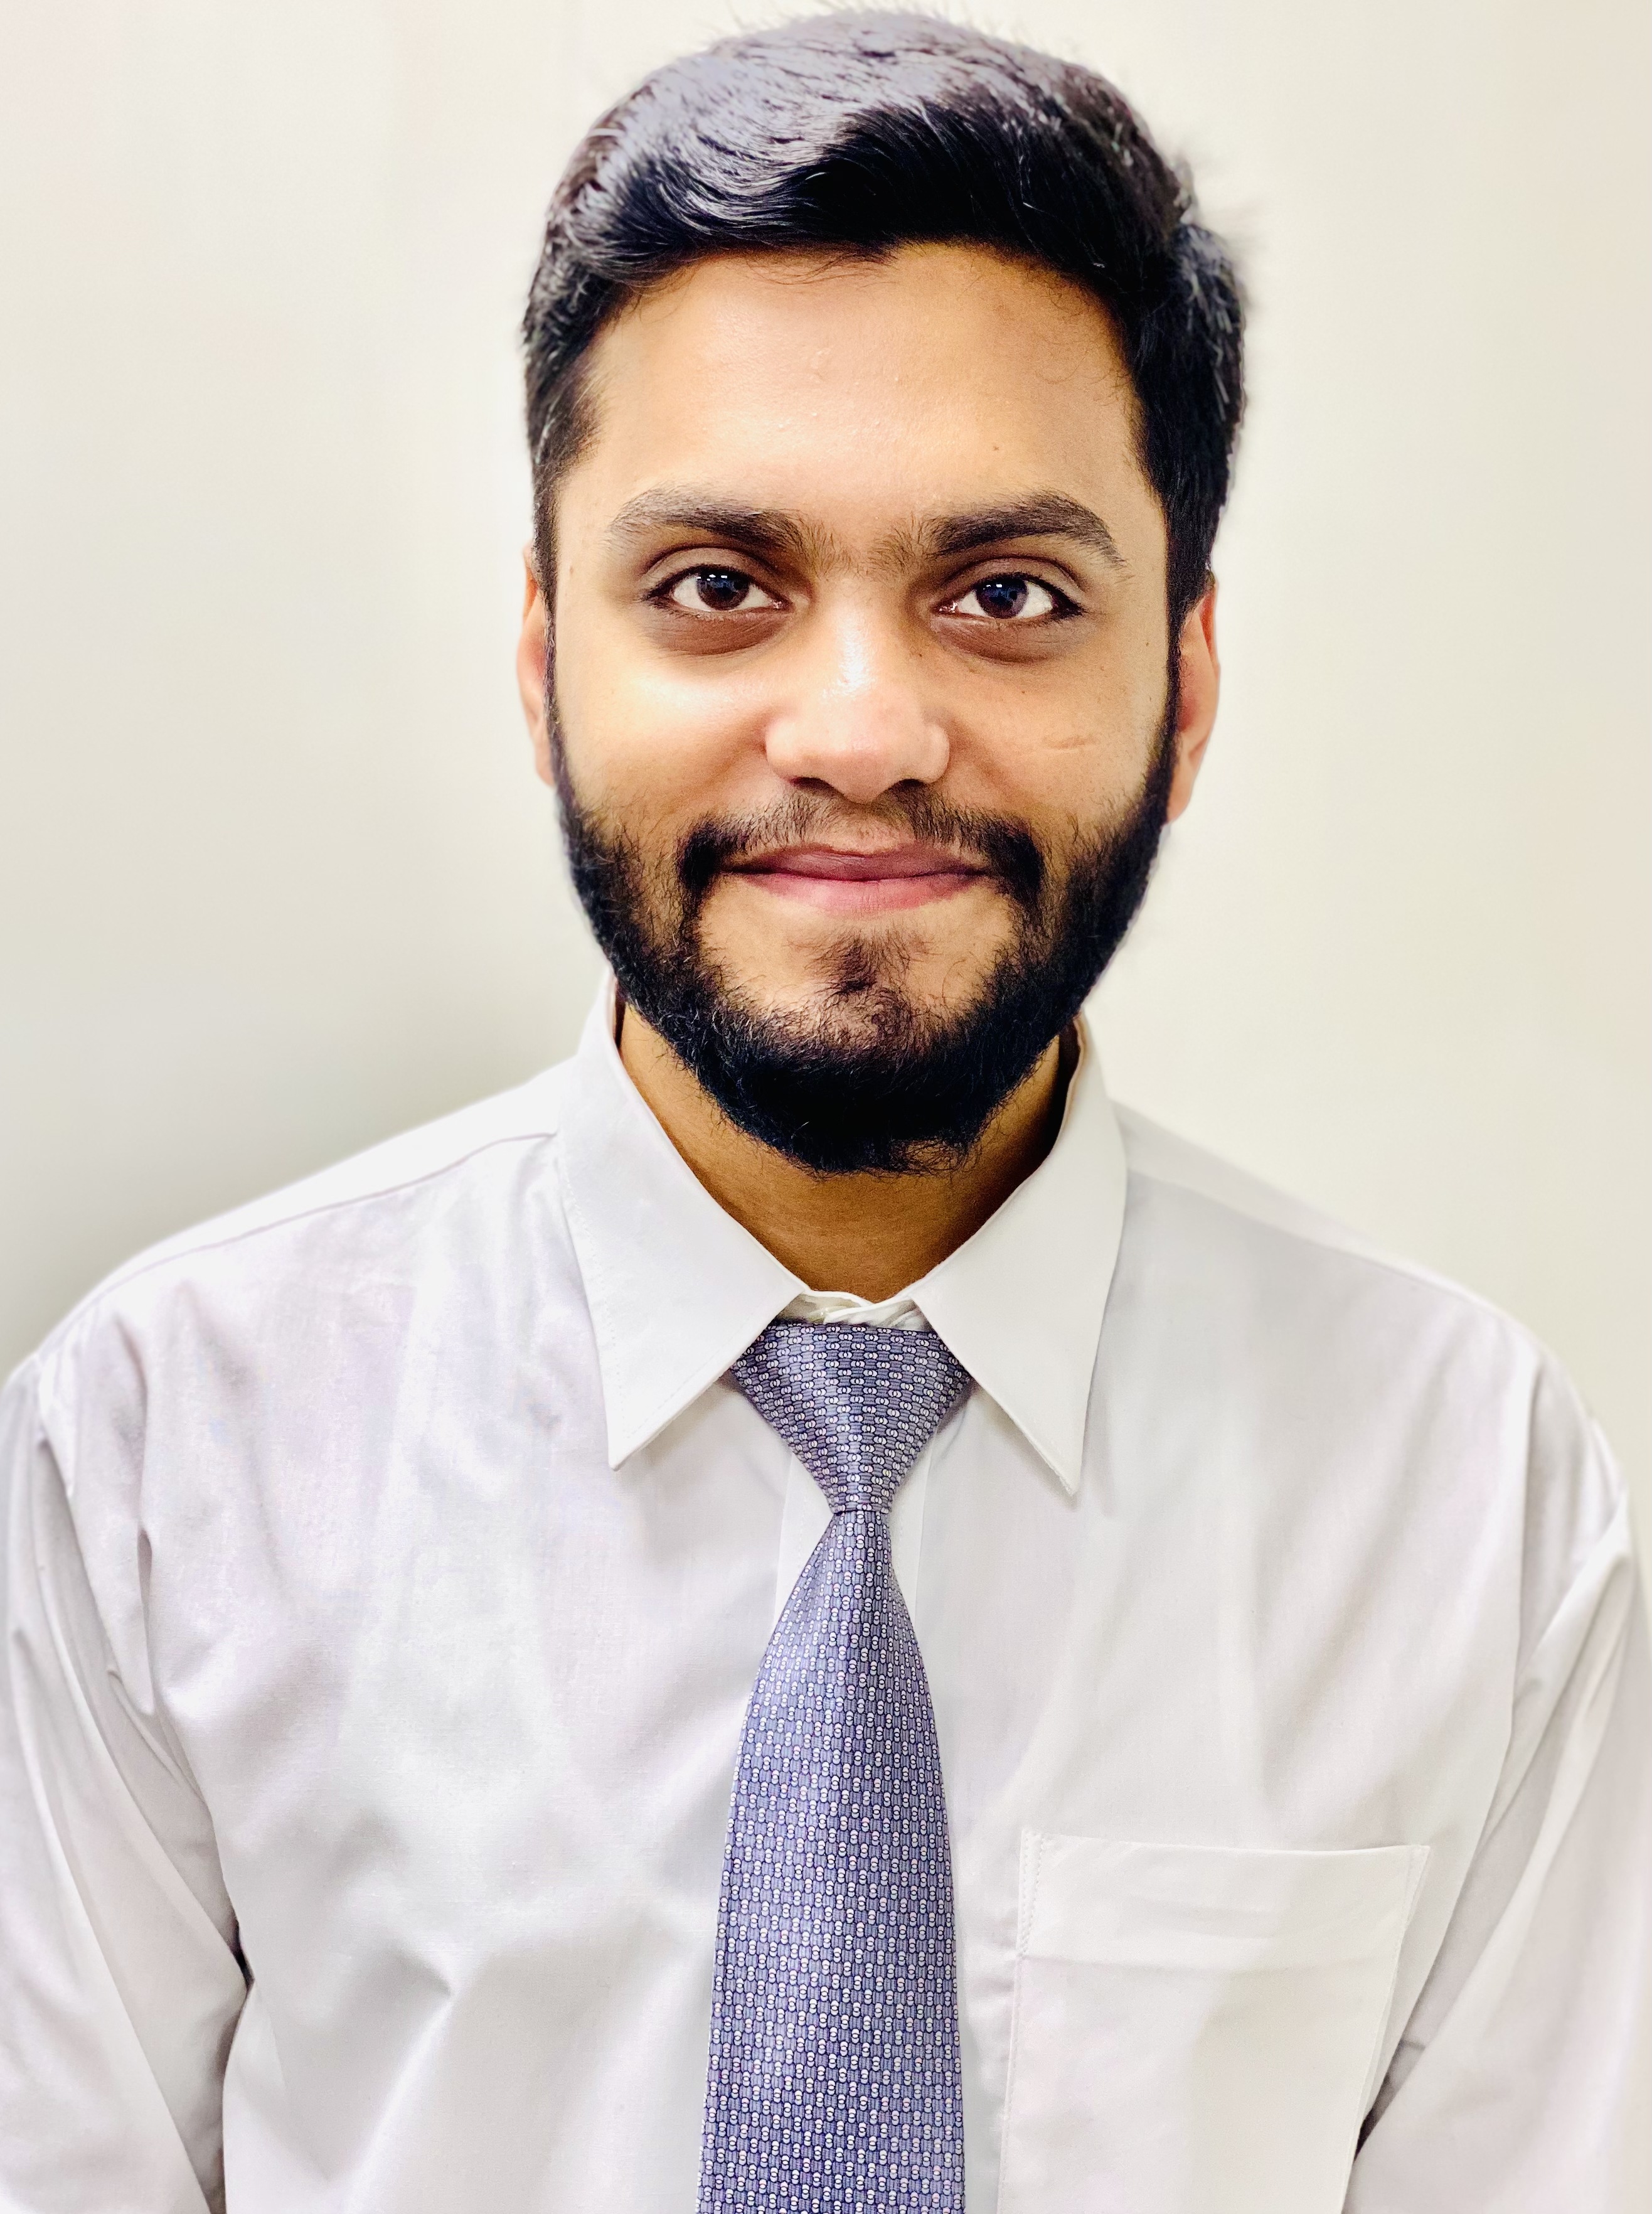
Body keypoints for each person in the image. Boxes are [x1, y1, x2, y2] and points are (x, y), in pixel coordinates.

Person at [2, 11, 1646, 2210]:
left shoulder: (1461, 1498)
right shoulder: (155, 1458)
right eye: (717, 589)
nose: (860, 729)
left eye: (1005, 595)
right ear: (542, 664)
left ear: (1183, 687)